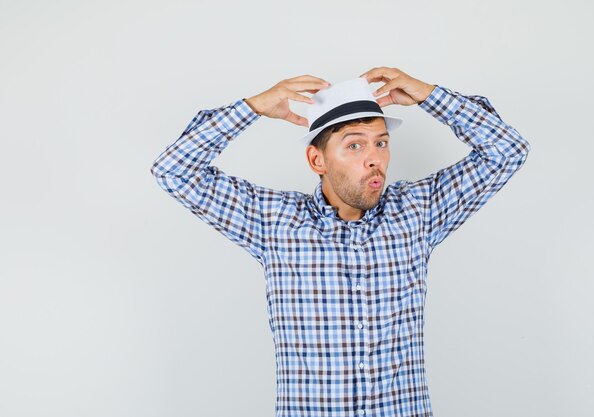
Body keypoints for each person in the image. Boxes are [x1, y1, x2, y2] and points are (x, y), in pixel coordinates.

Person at [150, 67, 531, 417]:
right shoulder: (274, 223)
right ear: (317, 160)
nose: (374, 160)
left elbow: (507, 150)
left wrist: (432, 96)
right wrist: (252, 108)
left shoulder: (418, 212)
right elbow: (173, 170)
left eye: (381, 143)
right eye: (354, 145)